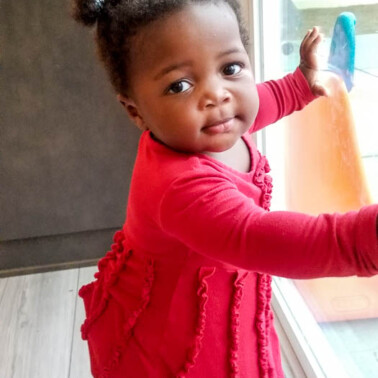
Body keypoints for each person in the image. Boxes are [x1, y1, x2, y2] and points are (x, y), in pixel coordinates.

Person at [71, 0, 378, 377]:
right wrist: (363, 240)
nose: (217, 95)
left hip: (227, 299)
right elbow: (264, 239)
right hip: (173, 341)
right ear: (135, 111)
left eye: (230, 68)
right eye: (180, 85)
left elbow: (264, 100)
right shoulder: (179, 187)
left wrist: (301, 83)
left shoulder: (215, 124)